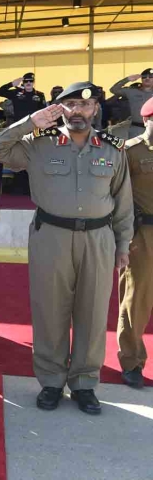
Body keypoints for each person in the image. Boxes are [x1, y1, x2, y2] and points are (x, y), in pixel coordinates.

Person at [0, 82, 133, 415]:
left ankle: (84, 383)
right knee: (50, 310)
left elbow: (123, 201)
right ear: (58, 108)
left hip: (98, 238)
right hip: (51, 235)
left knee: (93, 312)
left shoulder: (112, 148)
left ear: (95, 109)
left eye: (85, 105)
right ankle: (51, 381)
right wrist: (29, 123)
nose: (78, 111)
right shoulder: (38, 143)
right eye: (70, 105)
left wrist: (123, 244)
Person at [116, 96, 153, 389]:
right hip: (143, 235)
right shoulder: (130, 151)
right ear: (148, 119)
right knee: (136, 299)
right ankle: (131, 361)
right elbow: (116, 194)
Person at [109, 69, 153, 139]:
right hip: (136, 128)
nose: (147, 78)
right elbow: (113, 89)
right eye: (144, 77)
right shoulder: (132, 91)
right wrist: (127, 79)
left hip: (152, 129)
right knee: (134, 146)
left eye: (151, 76)